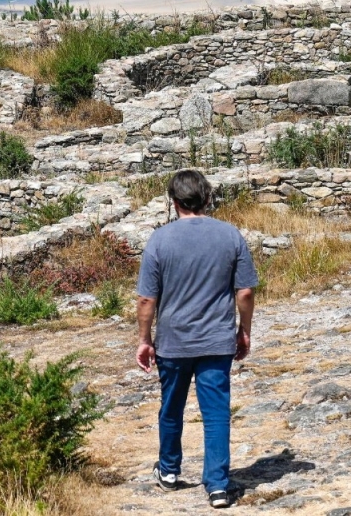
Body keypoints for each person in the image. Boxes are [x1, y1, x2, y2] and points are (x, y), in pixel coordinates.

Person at [135, 170, 257, 509]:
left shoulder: (159, 240)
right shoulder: (230, 235)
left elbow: (147, 300)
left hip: (174, 340)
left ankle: (170, 470)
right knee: (216, 412)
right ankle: (218, 485)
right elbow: (244, 291)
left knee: (171, 407)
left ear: (173, 202)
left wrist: (144, 339)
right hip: (217, 339)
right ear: (206, 198)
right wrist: (243, 330)